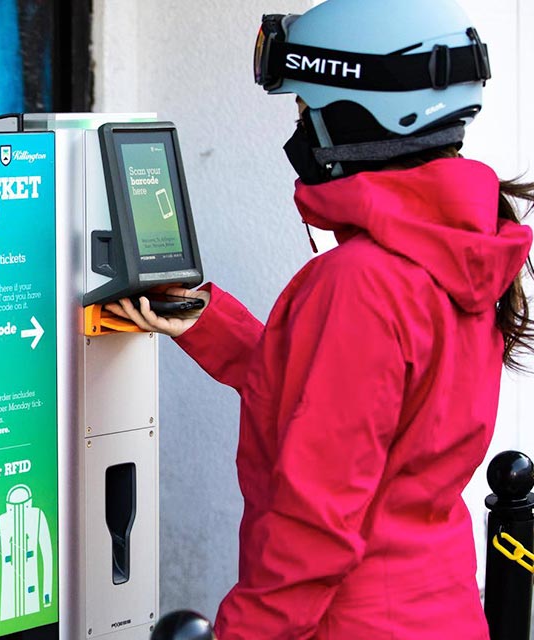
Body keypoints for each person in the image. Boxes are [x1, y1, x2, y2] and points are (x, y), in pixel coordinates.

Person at [106, 1, 534, 638]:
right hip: (439, 611)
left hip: (351, 622)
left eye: (306, 109)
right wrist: (205, 317)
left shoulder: (359, 282)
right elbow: (350, 402)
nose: (301, 130)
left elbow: (316, 527)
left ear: (362, 112)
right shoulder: (463, 249)